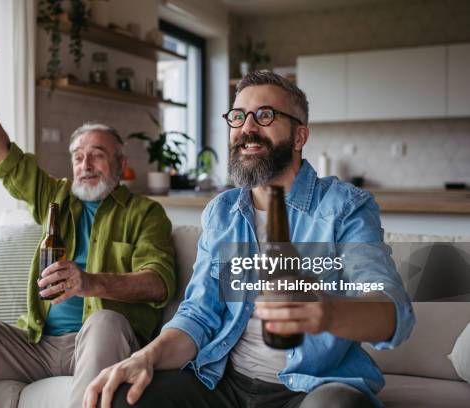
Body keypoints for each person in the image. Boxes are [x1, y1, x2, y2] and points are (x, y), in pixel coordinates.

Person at [84, 70, 415, 408]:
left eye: (265, 115)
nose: (247, 128)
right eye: (238, 117)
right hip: (223, 384)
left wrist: (326, 313)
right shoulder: (221, 212)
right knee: (123, 397)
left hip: (311, 388)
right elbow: (198, 315)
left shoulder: (344, 207)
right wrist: (146, 356)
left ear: (299, 136)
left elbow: (392, 311)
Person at [0, 20, 176, 408]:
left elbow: (158, 283)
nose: (86, 163)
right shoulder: (56, 199)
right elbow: (1, 152)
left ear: (120, 163)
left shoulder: (145, 213)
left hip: (101, 342)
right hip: (38, 345)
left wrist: (89, 283)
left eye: (97, 154)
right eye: (78, 156)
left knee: (106, 320)